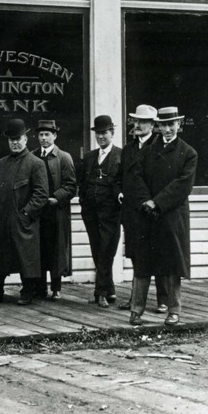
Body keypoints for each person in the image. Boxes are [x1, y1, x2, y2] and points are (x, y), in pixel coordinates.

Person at [130, 107, 198, 326]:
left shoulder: (188, 153)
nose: (167, 129)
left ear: (179, 125)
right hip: (147, 215)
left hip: (171, 216)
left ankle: (174, 310)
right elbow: (137, 177)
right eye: (163, 125)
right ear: (157, 126)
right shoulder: (148, 150)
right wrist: (145, 202)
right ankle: (136, 310)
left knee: (172, 265)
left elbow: (182, 186)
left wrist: (157, 202)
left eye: (171, 125)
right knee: (142, 264)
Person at [0, 119, 49, 305]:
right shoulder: (1, 163)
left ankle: (27, 292)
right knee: (0, 257)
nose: (15, 143)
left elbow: (41, 194)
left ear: (25, 139)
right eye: (11, 140)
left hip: (22, 221)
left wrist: (25, 213)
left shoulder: (36, 163)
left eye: (18, 139)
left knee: (26, 257)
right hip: (1, 219)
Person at [118, 104, 164, 312]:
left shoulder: (159, 147)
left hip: (152, 212)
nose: (137, 125)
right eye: (135, 121)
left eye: (142, 121)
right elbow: (121, 177)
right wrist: (120, 191)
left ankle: (164, 300)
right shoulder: (128, 149)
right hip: (132, 213)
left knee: (158, 254)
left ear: (153, 125)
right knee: (137, 255)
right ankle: (136, 299)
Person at [79, 115, 123, 309]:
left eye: (104, 132)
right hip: (90, 212)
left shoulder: (121, 155)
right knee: (97, 249)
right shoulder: (89, 157)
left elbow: (124, 182)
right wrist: (83, 201)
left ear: (112, 133)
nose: (101, 137)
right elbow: (82, 182)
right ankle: (110, 289)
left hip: (111, 212)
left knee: (107, 250)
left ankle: (101, 292)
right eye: (98, 133)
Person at [34, 119, 77, 300]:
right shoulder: (33, 156)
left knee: (56, 249)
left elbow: (71, 186)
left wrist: (56, 198)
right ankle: (40, 287)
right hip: (38, 212)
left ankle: (56, 288)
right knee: (39, 249)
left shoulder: (64, 157)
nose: (44, 138)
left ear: (55, 136)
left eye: (47, 135)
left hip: (56, 212)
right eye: (41, 135)